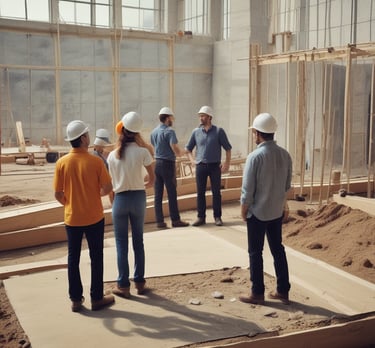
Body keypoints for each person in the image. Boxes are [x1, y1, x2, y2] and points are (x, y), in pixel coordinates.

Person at [53, 120, 115, 312]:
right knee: (96, 256)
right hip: (94, 217)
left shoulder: (61, 163)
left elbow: (57, 193)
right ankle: (97, 298)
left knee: (73, 258)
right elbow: (107, 187)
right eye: (87, 134)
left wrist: (70, 204)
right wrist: (94, 196)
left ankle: (76, 300)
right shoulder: (95, 162)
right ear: (82, 138)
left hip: (72, 218)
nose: (89, 137)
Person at [239, 112, 292, 305]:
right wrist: (284, 206)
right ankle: (283, 291)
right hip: (276, 212)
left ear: (257, 133)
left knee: (255, 252)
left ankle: (257, 293)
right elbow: (287, 185)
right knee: (278, 249)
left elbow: (248, 189)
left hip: (258, 213)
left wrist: (244, 210)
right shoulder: (285, 155)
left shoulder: (255, 157)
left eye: (254, 132)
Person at [107, 111, 155, 298]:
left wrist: (115, 199)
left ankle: (123, 285)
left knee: (121, 244)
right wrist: (142, 184)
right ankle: (140, 283)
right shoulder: (143, 152)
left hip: (120, 199)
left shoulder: (112, 156)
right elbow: (152, 179)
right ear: (137, 132)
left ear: (122, 130)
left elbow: (110, 184)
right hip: (138, 198)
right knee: (138, 242)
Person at [185, 106, 232, 226]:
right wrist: (192, 161)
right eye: (200, 116)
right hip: (200, 166)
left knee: (216, 192)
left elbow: (228, 148)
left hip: (215, 166)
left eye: (203, 116)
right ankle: (201, 217)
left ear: (209, 117)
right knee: (200, 193)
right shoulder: (195, 132)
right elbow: (188, 149)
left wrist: (227, 163)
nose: (201, 118)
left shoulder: (218, 131)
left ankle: (217, 217)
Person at [150, 107, 189, 229]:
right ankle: (175, 220)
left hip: (157, 163)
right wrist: (184, 152)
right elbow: (175, 149)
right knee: (171, 193)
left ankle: (159, 221)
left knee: (158, 194)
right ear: (167, 118)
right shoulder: (169, 132)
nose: (172, 120)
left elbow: (153, 145)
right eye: (172, 118)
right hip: (168, 164)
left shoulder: (154, 132)